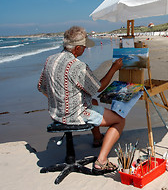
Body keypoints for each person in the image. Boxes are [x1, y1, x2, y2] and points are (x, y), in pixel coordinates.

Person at [38, 26, 125, 174]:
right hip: (75, 115)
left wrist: (60, 99)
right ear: (77, 48)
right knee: (119, 121)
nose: (85, 49)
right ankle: (101, 161)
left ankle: (98, 139)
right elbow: (98, 87)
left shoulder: (50, 60)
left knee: (94, 103)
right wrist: (113, 68)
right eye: (83, 47)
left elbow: (42, 87)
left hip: (55, 114)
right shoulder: (77, 66)